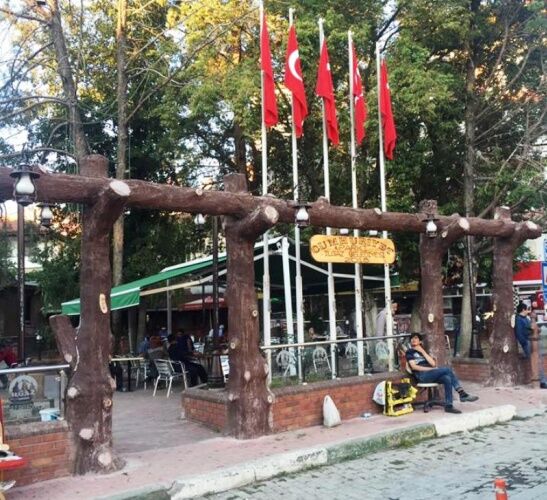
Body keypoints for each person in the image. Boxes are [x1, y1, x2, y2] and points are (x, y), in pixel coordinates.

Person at [405, 333, 478, 414]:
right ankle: (462, 393)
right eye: (412, 338)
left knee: (447, 378)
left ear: (420, 341)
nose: (413, 340)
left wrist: (422, 351)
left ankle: (449, 406)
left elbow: (433, 364)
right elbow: (414, 367)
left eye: (416, 338)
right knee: (447, 370)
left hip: (430, 374)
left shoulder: (423, 351)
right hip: (422, 376)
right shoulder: (409, 352)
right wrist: (430, 369)